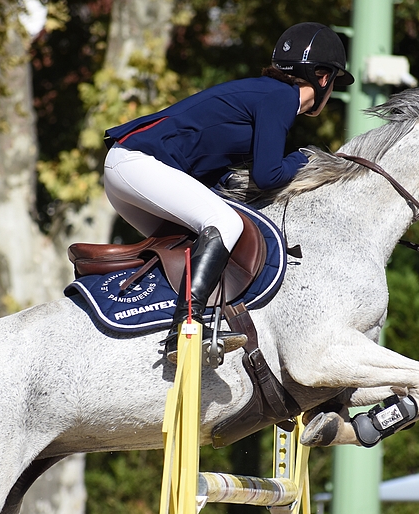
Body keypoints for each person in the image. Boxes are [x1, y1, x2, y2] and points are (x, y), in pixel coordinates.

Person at [102, 22, 354, 360]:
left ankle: (157, 328)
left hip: (130, 170)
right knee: (226, 223)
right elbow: (268, 175)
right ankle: (186, 329)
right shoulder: (281, 97)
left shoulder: (267, 93)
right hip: (137, 164)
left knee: (195, 249)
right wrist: (306, 157)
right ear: (323, 77)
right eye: (334, 81)